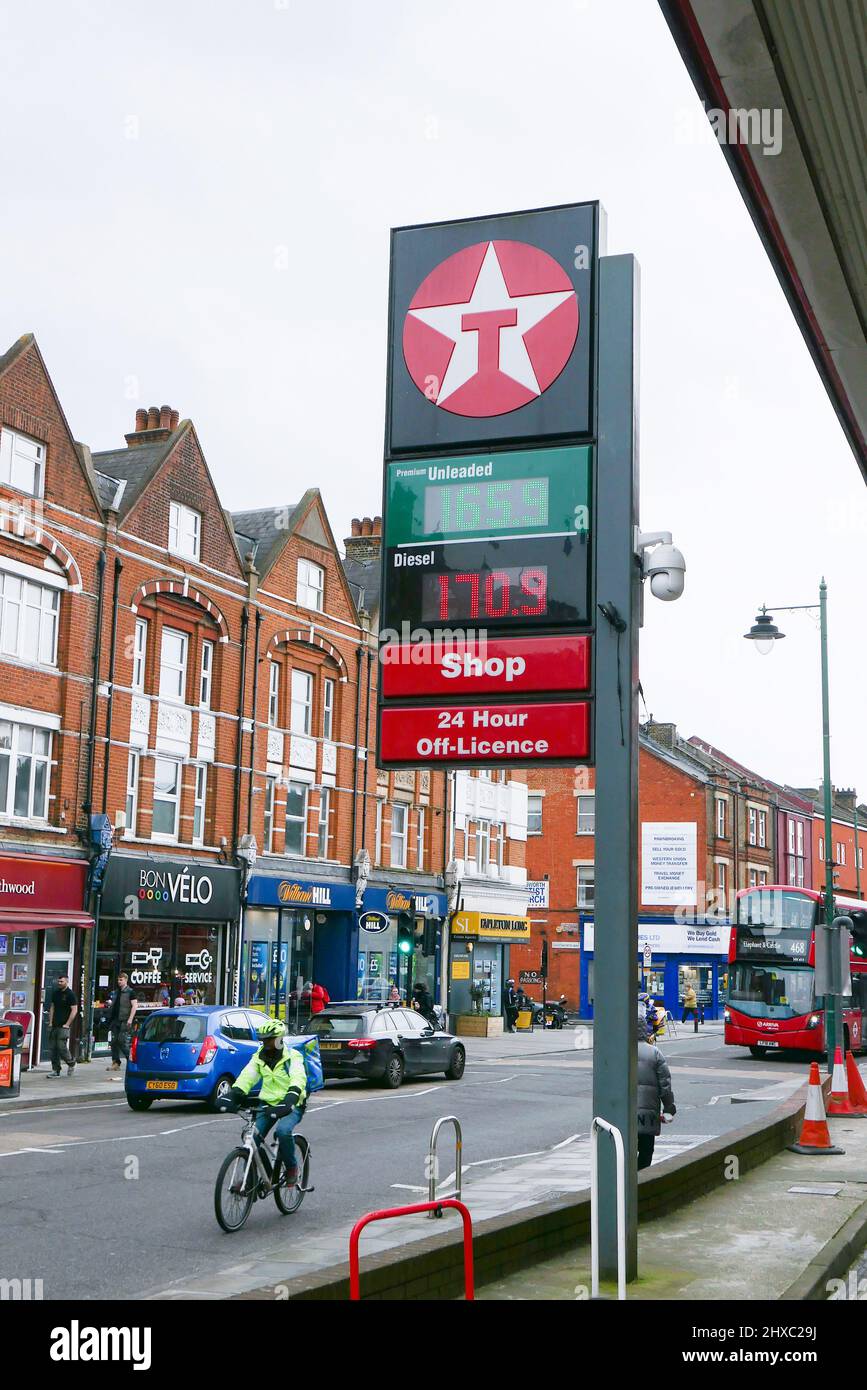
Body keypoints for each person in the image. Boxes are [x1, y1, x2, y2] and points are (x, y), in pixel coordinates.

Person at [222, 1019, 307, 1185]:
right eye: (264, 1040)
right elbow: (247, 1076)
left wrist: (291, 1098)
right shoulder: (259, 1057)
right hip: (267, 1104)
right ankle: (260, 1177)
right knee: (251, 1137)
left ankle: (291, 1168)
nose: (266, 1043)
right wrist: (234, 1094)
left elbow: (298, 1078)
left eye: (269, 1039)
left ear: (279, 1039)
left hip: (292, 1104)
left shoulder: (293, 1057)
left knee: (283, 1131)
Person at [637, 1016, 676, 1170]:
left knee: (623, 1149)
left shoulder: (620, 1051)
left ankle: (625, 1182)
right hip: (647, 1116)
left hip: (623, 1114)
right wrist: (669, 1106)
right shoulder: (655, 1053)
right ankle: (640, 1180)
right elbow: (665, 1083)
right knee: (646, 1151)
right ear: (644, 1029)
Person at [104, 972, 138, 1073]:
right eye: (118, 980)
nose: (119, 982)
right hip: (115, 1020)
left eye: (121, 980)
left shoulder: (130, 992)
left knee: (122, 1041)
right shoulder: (116, 992)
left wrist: (130, 1019)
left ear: (126, 980)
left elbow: (134, 1006)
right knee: (113, 1042)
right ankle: (116, 1063)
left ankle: (131, 1061)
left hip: (124, 1020)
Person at [46, 974, 78, 1079]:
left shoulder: (70, 994)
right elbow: (52, 1007)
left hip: (64, 1026)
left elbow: (74, 1010)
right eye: (59, 982)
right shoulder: (55, 993)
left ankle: (71, 1063)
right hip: (54, 1025)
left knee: (61, 1047)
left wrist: (67, 1024)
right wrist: (50, 1022)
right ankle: (56, 1070)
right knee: (53, 1048)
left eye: (62, 982)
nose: (59, 983)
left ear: (67, 982)